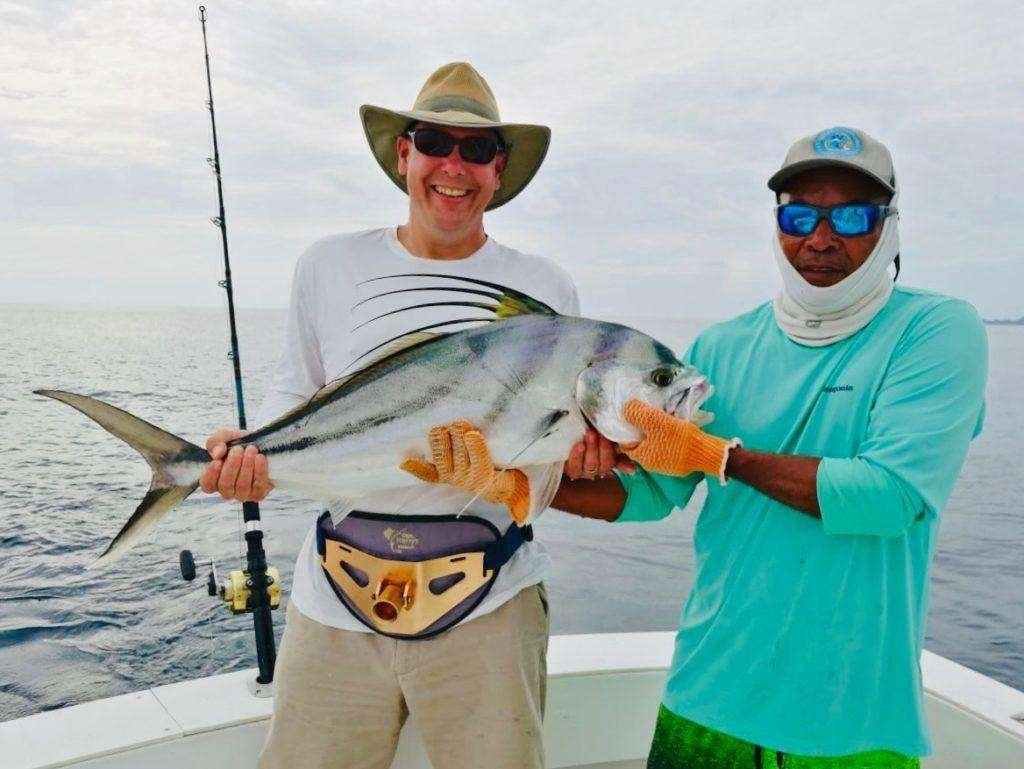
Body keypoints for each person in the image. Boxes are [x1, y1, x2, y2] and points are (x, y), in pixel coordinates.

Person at [454, 127, 987, 767]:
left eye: (850, 216)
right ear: (778, 223)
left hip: (853, 720)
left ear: (889, 226)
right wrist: (523, 485)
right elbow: (648, 494)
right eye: (799, 216)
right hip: (706, 696)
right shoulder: (718, 351)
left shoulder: (935, 331)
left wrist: (720, 457)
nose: (821, 239)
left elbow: (890, 497)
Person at [199, 62, 578, 769]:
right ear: (405, 154)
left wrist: (529, 474)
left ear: (499, 169)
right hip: (334, 599)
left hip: (492, 601)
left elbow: (548, 460)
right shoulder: (328, 265)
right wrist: (249, 454)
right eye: (436, 141)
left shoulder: (543, 290)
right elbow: (297, 398)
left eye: (477, 149)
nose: (453, 166)